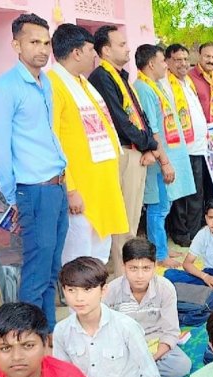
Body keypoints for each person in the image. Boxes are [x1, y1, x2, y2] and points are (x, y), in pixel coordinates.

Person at [0, 13, 68, 330]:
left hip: (56, 186)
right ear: (16, 44)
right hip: (32, 191)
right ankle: (28, 339)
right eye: (34, 42)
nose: (42, 49)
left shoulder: (45, 82)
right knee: (36, 271)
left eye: (46, 42)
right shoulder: (5, 88)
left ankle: (46, 335)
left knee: (51, 268)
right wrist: (12, 198)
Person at [48, 24, 128, 268]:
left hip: (101, 188)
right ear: (76, 52)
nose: (96, 55)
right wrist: (71, 188)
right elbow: (53, 141)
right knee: (79, 261)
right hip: (80, 192)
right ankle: (79, 306)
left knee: (97, 258)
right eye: (91, 49)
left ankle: (95, 305)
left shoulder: (83, 83)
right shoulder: (54, 84)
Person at [87, 26, 159, 275]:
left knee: (131, 220)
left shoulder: (121, 75)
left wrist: (150, 143)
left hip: (136, 151)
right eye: (121, 44)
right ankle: (122, 277)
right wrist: (149, 143)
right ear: (105, 50)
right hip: (124, 153)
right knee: (124, 223)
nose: (128, 48)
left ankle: (128, 273)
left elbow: (138, 115)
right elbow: (120, 121)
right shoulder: (101, 77)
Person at [134, 44, 195, 268]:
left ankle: (161, 248)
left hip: (168, 156)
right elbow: (153, 130)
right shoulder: (143, 88)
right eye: (162, 61)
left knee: (164, 206)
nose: (165, 66)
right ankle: (159, 255)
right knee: (158, 208)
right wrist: (165, 161)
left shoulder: (155, 85)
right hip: (161, 160)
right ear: (151, 64)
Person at [104, 238, 193, 377]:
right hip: (123, 345)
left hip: (154, 343)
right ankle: (137, 372)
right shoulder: (111, 290)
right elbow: (104, 331)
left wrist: (152, 358)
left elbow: (170, 331)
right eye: (133, 268)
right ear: (123, 266)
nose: (140, 276)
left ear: (155, 266)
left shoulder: (165, 288)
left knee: (181, 365)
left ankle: (130, 373)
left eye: (146, 268)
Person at [162, 43, 212, 246]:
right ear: (167, 62)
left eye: (185, 59)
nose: (182, 63)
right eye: (177, 60)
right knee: (182, 194)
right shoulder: (166, 84)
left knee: (197, 193)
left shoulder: (187, 82)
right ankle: (182, 234)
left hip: (199, 147)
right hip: (181, 150)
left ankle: (194, 232)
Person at [187, 42, 213, 123]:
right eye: (207, 56)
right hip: (199, 129)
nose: (211, 60)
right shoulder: (189, 77)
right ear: (199, 56)